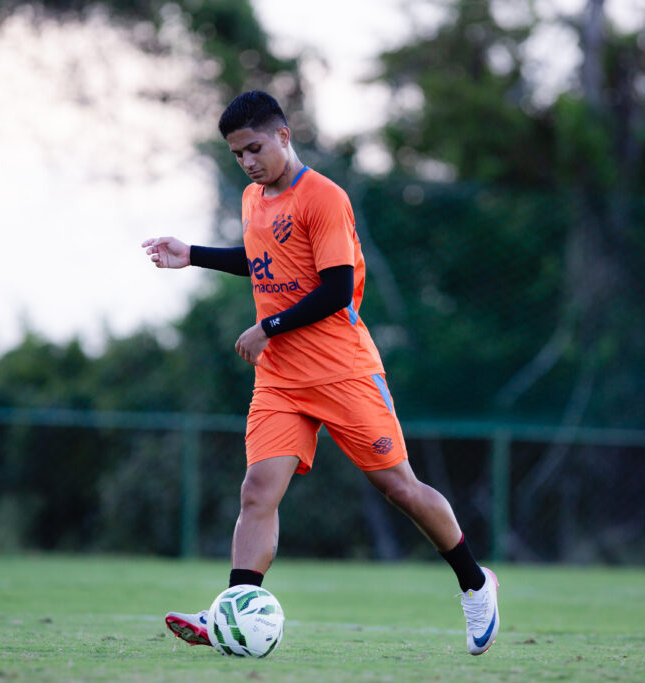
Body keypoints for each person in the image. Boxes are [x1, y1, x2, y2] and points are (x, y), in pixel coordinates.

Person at [142, 90, 499, 656]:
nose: (248, 162)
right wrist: (194, 254)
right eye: (237, 154)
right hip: (281, 378)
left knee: (399, 488)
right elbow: (260, 259)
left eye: (254, 148)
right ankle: (232, 611)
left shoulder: (324, 197)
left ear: (283, 135)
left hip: (342, 370)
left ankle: (476, 584)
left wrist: (268, 326)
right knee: (257, 492)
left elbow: (335, 289)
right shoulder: (253, 198)